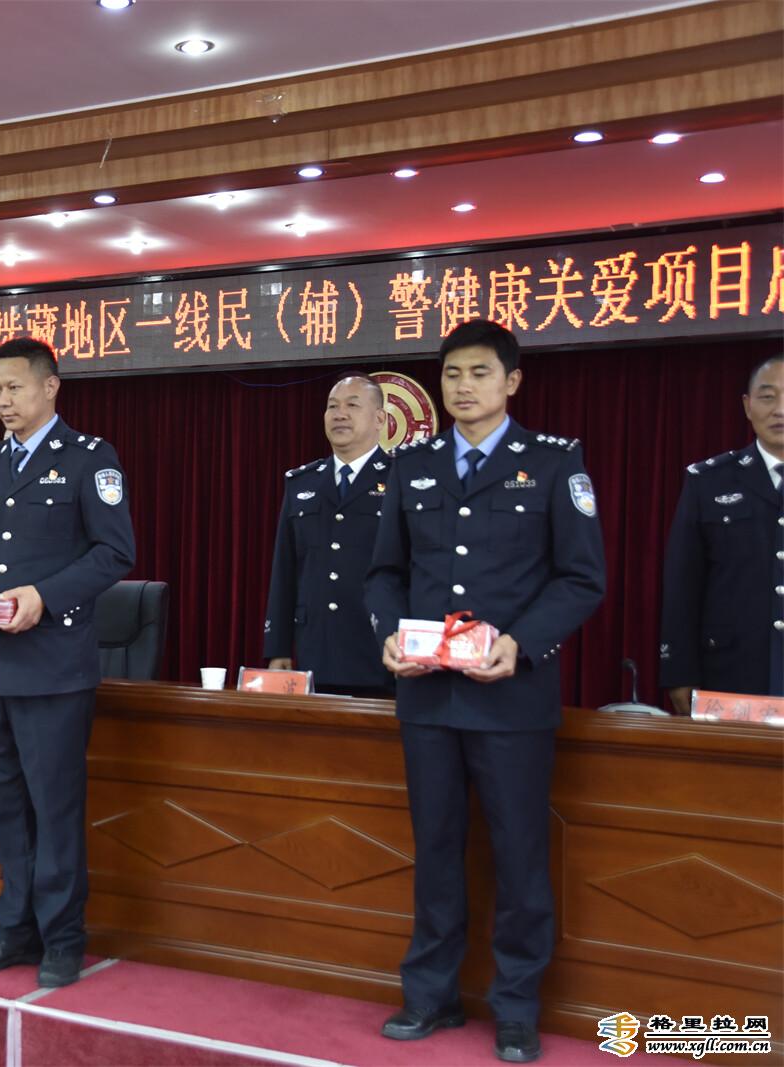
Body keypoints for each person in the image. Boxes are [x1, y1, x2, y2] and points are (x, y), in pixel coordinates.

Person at [365, 319, 606, 1064]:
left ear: (512, 381)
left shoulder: (554, 462)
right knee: (436, 849)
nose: (463, 386)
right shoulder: (414, 465)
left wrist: (522, 643)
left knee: (519, 855)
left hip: (511, 698)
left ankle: (516, 1007)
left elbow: (581, 579)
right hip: (428, 697)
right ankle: (430, 995)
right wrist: (388, 634)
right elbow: (384, 573)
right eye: (452, 374)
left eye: (478, 373)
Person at [0, 337, 135, 988]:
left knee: (53, 808)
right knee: (2, 807)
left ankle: (62, 937)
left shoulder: (88, 458)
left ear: (51, 387)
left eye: (15, 387)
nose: (3, 400)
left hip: (53, 665)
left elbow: (114, 553)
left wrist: (44, 596)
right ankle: (14, 927)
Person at [660, 355, 784, 706]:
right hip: (733, 674)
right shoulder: (709, 481)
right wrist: (679, 673)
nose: (779, 410)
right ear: (747, 406)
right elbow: (684, 584)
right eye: (767, 396)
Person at [264, 374, 395, 696]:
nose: (340, 414)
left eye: (353, 405)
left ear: (380, 419)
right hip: (316, 649)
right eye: (332, 406)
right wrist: (277, 647)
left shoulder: (401, 479)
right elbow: (285, 571)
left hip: (382, 651)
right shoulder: (303, 483)